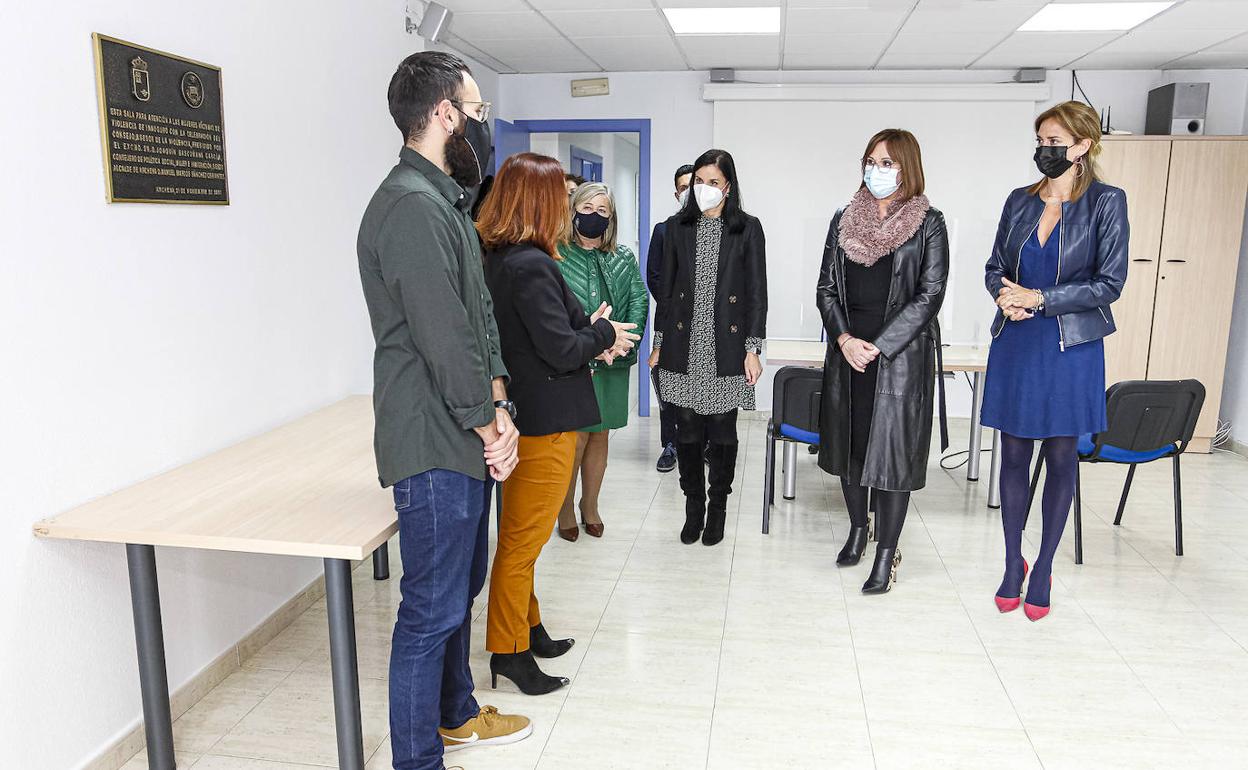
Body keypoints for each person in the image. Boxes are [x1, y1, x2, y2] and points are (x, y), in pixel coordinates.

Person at [356, 51, 531, 770]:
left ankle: (454, 717)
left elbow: (478, 321)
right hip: (432, 440)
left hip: (464, 430)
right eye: (479, 111)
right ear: (444, 116)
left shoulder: (446, 201)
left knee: (457, 593)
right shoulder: (408, 207)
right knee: (428, 615)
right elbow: (441, 334)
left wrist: (500, 409)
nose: (484, 126)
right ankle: (417, 760)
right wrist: (490, 423)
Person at [479, 153, 639, 694]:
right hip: (545, 419)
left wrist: (591, 328)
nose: (568, 213)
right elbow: (560, 346)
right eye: (559, 200)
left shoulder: (504, 257)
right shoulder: (530, 264)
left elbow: (555, 328)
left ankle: (530, 627)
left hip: (530, 410)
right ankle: (510, 651)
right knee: (522, 544)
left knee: (520, 539)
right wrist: (603, 336)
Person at [983, 101, 1128, 621]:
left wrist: (1039, 299)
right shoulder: (1019, 201)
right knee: (1015, 453)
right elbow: (995, 265)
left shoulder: (1106, 203)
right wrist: (1004, 295)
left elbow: (1109, 283)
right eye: (1040, 141)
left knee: (1063, 456)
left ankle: (1043, 566)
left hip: (1071, 347)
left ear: (1083, 145)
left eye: (1054, 141)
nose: (1044, 150)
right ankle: (1010, 562)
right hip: (1018, 342)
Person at [815, 129, 950, 595]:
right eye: (872, 160)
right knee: (851, 449)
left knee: (892, 457)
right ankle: (857, 527)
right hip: (849, 354)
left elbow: (930, 294)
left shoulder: (929, 223)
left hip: (899, 359)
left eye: (889, 162)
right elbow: (826, 288)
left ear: (908, 168)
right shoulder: (842, 219)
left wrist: (880, 343)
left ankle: (887, 554)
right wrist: (846, 339)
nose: (878, 169)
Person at [650, 149, 767, 547]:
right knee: (686, 432)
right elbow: (664, 293)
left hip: (726, 347)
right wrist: (659, 343)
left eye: (713, 182)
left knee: (721, 433)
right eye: (699, 181)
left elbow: (756, 294)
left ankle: (717, 507)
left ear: (728, 187)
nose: (704, 189)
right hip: (684, 345)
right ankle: (693, 507)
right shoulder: (676, 228)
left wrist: (752, 348)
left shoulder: (747, 229)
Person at [555, 182, 649, 541]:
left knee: (600, 437)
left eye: (602, 211)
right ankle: (564, 508)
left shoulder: (622, 257)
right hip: (575, 361)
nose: (593, 216)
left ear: (611, 218)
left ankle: (589, 505)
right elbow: (553, 309)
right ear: (574, 210)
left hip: (613, 360)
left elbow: (639, 300)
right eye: (587, 209)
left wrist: (623, 341)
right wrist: (586, 342)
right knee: (575, 438)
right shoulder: (557, 254)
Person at [646, 164, 695, 473]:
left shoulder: (718, 230)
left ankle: (702, 444)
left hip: (708, 325)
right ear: (676, 193)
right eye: (683, 187)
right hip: (670, 322)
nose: (689, 192)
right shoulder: (664, 230)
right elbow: (654, 276)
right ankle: (670, 444)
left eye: (695, 185)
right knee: (669, 385)